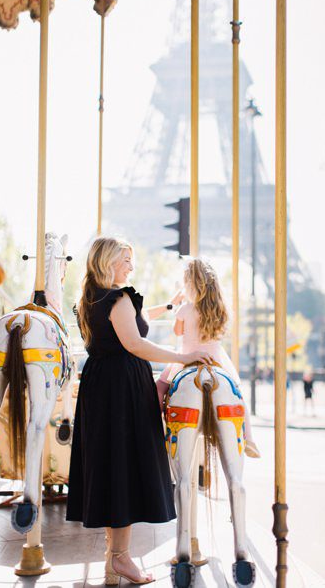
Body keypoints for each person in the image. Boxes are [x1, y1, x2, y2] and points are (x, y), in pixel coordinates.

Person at [67, 237, 213, 585]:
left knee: (110, 466)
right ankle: (120, 558)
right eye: (126, 260)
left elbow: (132, 322)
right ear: (109, 262)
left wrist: (167, 306)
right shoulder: (119, 297)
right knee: (125, 468)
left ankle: (113, 558)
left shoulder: (91, 298)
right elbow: (135, 342)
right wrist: (182, 357)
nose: (131, 267)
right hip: (123, 387)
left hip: (100, 384)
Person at [155, 258, 259, 458]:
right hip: (216, 359)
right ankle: (249, 438)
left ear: (189, 283)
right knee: (237, 392)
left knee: (159, 389)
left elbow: (178, 332)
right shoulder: (220, 308)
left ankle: (157, 431)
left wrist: (180, 308)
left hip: (186, 358)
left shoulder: (185, 309)